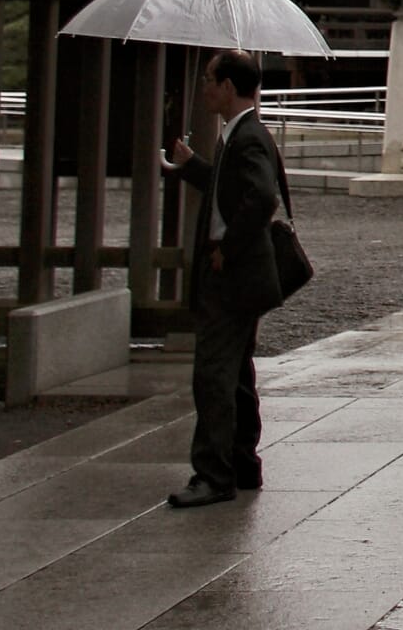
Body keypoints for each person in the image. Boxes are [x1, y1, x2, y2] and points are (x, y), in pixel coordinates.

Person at [162, 49, 287, 508]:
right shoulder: (242, 134)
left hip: (232, 272)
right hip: (244, 274)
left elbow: (261, 197)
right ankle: (241, 462)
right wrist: (192, 165)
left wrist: (226, 248)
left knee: (213, 372)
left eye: (210, 79)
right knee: (235, 372)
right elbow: (234, 188)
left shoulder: (247, 136)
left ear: (229, 86)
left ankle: (213, 474)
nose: (205, 86)